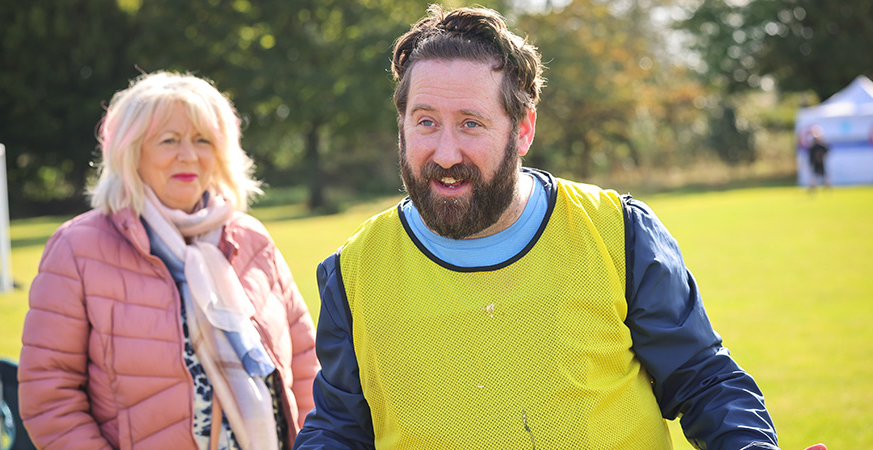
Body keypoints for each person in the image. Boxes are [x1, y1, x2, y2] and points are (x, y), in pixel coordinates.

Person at [294, 5, 826, 450]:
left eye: (471, 124)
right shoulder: (353, 270)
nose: (445, 152)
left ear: (522, 129)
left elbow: (704, 381)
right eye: (425, 121)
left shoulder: (617, 233)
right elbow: (339, 427)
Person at [18, 71, 320, 449]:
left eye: (202, 140)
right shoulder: (78, 248)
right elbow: (49, 395)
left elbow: (308, 368)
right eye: (169, 140)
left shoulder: (252, 239)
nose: (189, 155)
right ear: (130, 151)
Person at [807, 126, 830, 190]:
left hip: (821, 163)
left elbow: (826, 151)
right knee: (814, 176)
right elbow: (811, 155)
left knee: (824, 175)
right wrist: (811, 162)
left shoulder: (821, 146)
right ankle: (813, 187)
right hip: (815, 163)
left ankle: (826, 186)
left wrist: (821, 156)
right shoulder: (813, 147)